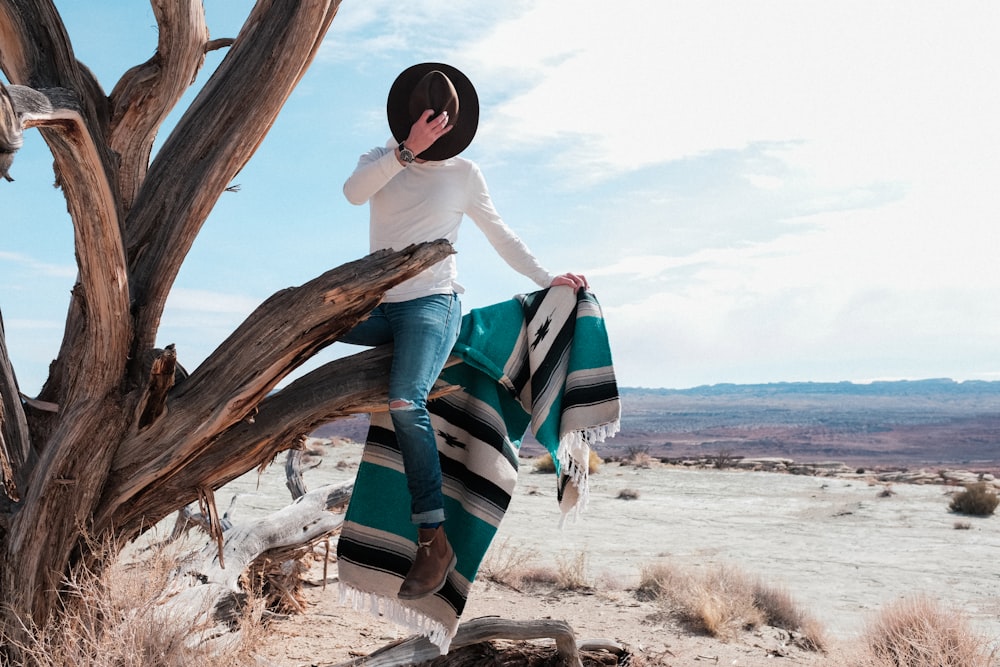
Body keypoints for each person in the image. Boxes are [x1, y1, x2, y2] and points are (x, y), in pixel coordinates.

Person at [341, 63, 587, 601]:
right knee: (305, 323)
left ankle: (433, 540)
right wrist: (405, 151)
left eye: (444, 124)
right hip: (379, 305)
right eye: (429, 122)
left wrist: (549, 279)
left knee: (407, 401)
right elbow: (353, 193)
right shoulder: (380, 160)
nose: (438, 131)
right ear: (412, 118)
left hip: (433, 304)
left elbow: (500, 234)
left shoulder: (465, 174)